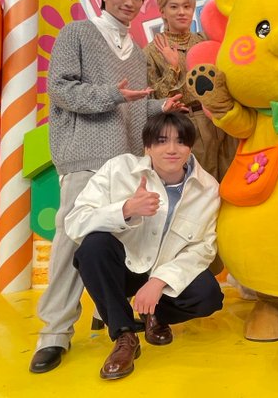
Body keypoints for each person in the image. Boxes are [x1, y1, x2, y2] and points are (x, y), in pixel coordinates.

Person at [30, 0, 185, 374]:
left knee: (120, 241)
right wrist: (112, 95)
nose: (129, 2)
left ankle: (108, 311)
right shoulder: (76, 33)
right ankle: (54, 333)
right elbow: (61, 90)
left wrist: (160, 106)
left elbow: (132, 106)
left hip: (125, 163)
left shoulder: (135, 51)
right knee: (71, 242)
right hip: (84, 157)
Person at [65, 112, 224, 380]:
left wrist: (159, 281)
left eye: (180, 141)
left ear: (190, 147)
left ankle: (155, 314)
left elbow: (202, 248)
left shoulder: (208, 188)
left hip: (164, 274)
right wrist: (126, 209)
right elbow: (75, 222)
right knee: (93, 247)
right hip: (125, 269)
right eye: (161, 141)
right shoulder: (119, 169)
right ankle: (124, 336)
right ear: (147, 147)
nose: (172, 149)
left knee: (208, 295)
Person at [144, 0, 237, 181]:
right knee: (201, 182)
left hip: (220, 118)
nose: (181, 12)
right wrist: (173, 67)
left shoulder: (204, 40)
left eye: (186, 7)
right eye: (174, 7)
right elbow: (156, 98)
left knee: (233, 177)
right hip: (188, 123)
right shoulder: (152, 51)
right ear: (163, 12)